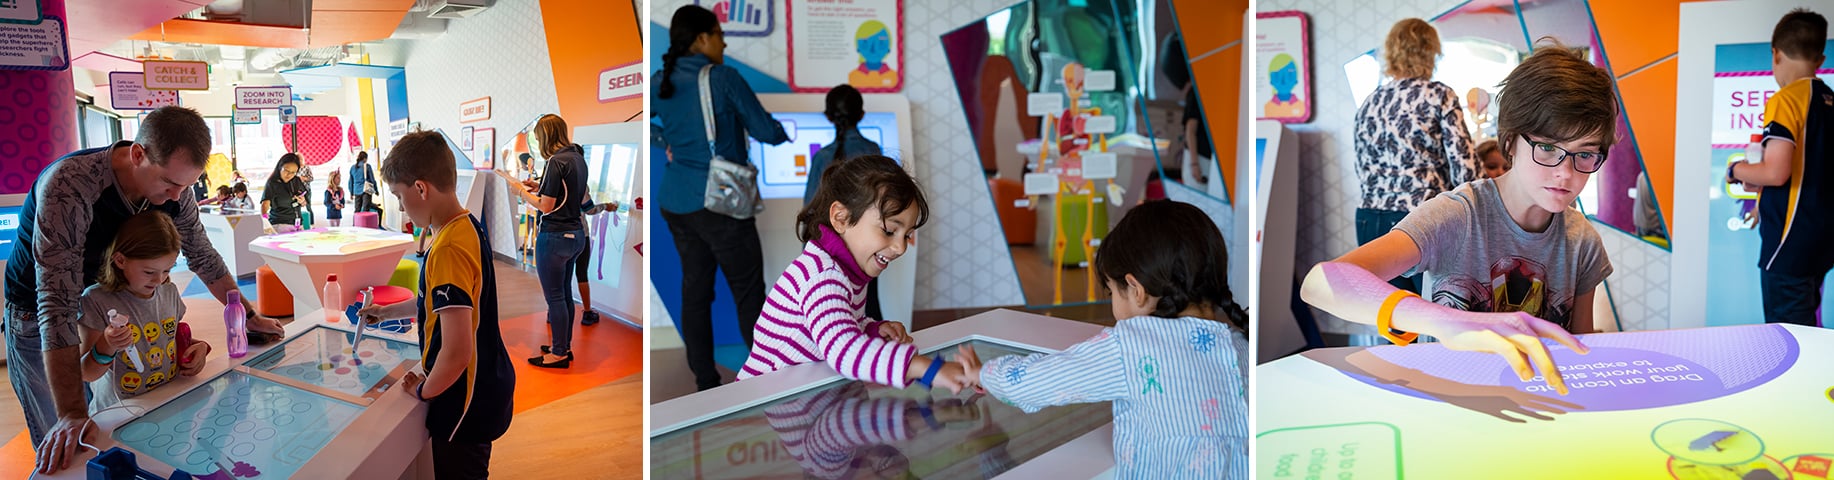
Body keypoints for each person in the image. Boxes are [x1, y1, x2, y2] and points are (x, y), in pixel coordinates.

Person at [1300, 43, 1615, 397]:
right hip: (1444, 400)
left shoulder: (1582, 241)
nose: (1565, 172)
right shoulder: (1458, 214)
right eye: (1547, 148)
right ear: (1509, 142)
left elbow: (1579, 352)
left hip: (1535, 403)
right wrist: (1446, 321)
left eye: (1585, 154)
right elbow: (1319, 282)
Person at [6, 106, 283, 474]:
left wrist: (249, 315)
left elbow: (201, 254)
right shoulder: (71, 184)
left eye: (187, 185)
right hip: (36, 311)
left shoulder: (176, 191)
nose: (176, 196)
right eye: (170, 183)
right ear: (138, 155)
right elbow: (54, 302)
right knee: (62, 441)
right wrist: (71, 412)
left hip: (98, 300)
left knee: (103, 427)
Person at [961, 200, 1249, 479]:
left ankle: (991, 459)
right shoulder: (1240, 343)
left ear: (1136, 289)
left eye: (1111, 292)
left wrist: (984, 373)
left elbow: (1037, 382)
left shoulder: (1132, 345)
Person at [737, 155, 973, 393]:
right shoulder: (823, 277)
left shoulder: (845, 270)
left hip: (799, 396)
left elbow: (835, 323)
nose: (900, 247)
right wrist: (929, 370)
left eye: (907, 235)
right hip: (765, 408)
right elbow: (844, 351)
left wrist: (870, 329)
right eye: (889, 230)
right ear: (841, 218)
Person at [358, 130, 514, 479]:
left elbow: (457, 351)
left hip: (464, 401)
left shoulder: (447, 249)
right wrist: (385, 313)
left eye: (399, 196)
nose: (400, 207)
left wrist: (425, 390)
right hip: (487, 381)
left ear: (421, 189)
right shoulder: (466, 226)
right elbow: (439, 304)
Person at [654, 4, 791, 390]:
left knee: (695, 292)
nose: (724, 41)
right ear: (702, 38)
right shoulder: (722, 78)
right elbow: (766, 131)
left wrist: (666, 141)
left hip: (676, 201)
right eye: (719, 33)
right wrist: (783, 132)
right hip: (722, 203)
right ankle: (766, 379)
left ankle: (705, 382)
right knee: (749, 293)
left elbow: (643, 121)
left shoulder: (659, 79)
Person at [1353, 18, 1481, 294]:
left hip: (1368, 219)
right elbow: (1465, 169)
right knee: (1431, 316)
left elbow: (1361, 167)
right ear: (1430, 51)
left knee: (1390, 315)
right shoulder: (1439, 95)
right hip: (1418, 217)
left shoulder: (1370, 102)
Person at [1727, 8, 1834, 326]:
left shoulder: (1786, 100)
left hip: (1789, 243)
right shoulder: (1829, 99)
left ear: (1775, 54)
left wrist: (1737, 170)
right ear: (1820, 58)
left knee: (1787, 334)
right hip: (1822, 239)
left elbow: (1775, 172)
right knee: (1807, 326)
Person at [77, 211, 212, 410]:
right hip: (118, 413)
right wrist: (107, 343)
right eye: (149, 272)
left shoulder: (168, 291)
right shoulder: (96, 300)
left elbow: (167, 339)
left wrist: (200, 347)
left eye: (167, 270)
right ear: (120, 260)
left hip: (167, 402)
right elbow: (86, 373)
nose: (159, 280)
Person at [496, 114, 593, 368]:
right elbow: (577, 197)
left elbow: (546, 206)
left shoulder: (555, 162)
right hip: (576, 236)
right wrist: (538, 186)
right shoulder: (578, 159)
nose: (537, 143)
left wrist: (519, 190)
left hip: (555, 237)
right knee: (565, 295)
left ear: (545, 136)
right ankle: (564, 346)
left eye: (537, 138)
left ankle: (559, 354)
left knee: (555, 298)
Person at [803, 84, 887, 321]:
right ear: (861, 114)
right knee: (869, 308)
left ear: (829, 117)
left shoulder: (822, 158)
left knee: (832, 312)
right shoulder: (872, 150)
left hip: (830, 249)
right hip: (869, 246)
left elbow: (810, 207)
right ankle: (879, 354)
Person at [261, 153, 308, 232]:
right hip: (280, 225)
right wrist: (265, 222)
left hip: (298, 224)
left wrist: (302, 201)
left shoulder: (296, 180)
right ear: (280, 167)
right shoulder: (272, 183)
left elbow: (304, 203)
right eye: (286, 170)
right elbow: (265, 205)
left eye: (293, 172)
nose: (289, 175)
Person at [350, 151, 380, 223]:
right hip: (366, 190)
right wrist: (376, 190)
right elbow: (372, 180)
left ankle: (355, 225)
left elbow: (350, 182)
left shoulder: (353, 168)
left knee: (357, 210)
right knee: (365, 210)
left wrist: (351, 192)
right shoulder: (367, 166)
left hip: (357, 191)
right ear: (365, 158)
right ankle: (364, 226)